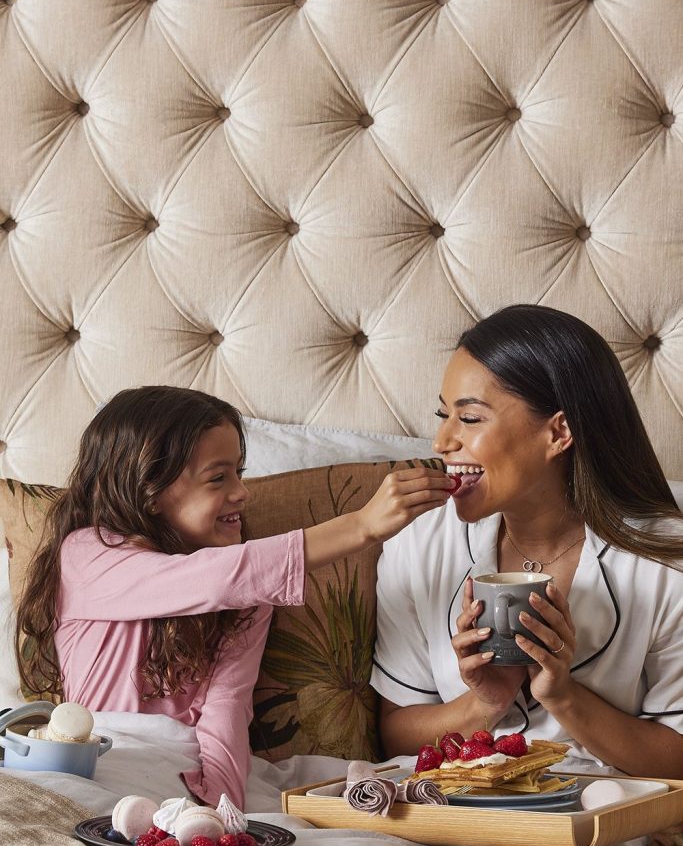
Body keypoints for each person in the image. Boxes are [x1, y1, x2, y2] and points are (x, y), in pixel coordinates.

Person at [16, 386, 456, 808]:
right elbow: (208, 579)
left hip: (183, 769)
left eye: (239, 472)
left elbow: (228, 703)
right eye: (218, 478)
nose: (241, 492)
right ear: (151, 491)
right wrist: (359, 526)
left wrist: (225, 805)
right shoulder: (88, 553)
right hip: (107, 756)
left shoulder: (249, 593)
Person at [371, 305, 683, 778]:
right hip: (449, 804)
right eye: (443, 415)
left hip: (590, 816)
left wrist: (564, 696)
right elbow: (395, 730)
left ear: (558, 432)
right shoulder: (418, 543)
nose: (441, 441)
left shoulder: (665, 561)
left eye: (470, 419)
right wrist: (483, 704)